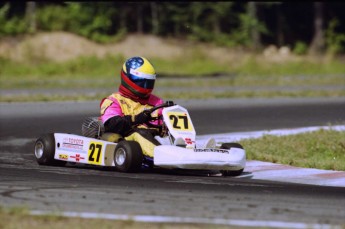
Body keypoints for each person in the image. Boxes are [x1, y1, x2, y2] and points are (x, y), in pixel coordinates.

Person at [99, 56, 164, 164]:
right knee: (140, 133)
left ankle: (188, 152)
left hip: (154, 137)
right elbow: (112, 125)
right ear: (127, 78)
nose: (145, 86)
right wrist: (136, 119)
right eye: (141, 82)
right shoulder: (114, 101)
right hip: (128, 138)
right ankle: (164, 158)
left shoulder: (157, 102)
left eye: (148, 82)